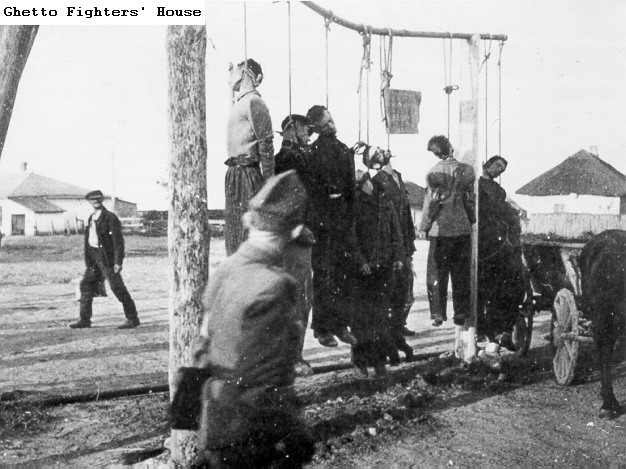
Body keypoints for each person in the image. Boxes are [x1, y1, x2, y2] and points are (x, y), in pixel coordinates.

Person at [192, 170, 315, 469]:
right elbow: (267, 381)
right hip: (249, 434)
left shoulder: (226, 269)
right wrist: (297, 436)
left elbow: (201, 349)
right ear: (294, 231)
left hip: (215, 423)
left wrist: (197, 425)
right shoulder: (278, 285)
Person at [305, 105, 358, 348]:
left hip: (342, 221)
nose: (332, 125)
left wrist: (350, 218)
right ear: (316, 127)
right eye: (326, 122)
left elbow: (351, 187)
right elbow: (310, 189)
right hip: (322, 223)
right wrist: (327, 197)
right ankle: (322, 328)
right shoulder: (312, 152)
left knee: (344, 274)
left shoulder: (345, 150)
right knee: (323, 276)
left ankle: (341, 325)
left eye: (331, 119)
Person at [351, 170, 405, 377]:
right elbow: (352, 237)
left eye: (366, 182)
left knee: (381, 316)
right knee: (361, 317)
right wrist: (361, 261)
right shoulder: (355, 204)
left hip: (385, 266)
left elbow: (395, 233)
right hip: (363, 270)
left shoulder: (385, 203)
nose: (368, 185)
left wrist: (398, 256)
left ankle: (379, 361)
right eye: (363, 182)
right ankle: (359, 360)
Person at [418, 135, 475, 327]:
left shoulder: (433, 173)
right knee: (461, 273)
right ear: (450, 147)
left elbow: (430, 204)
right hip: (462, 229)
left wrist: (424, 227)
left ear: (435, 153)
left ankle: (438, 313)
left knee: (436, 274)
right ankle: (461, 312)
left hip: (440, 232)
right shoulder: (468, 171)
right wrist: (471, 221)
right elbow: (470, 201)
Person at [275, 114, 315, 377]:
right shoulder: (286, 159)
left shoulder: (298, 156)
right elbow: (282, 201)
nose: (308, 134)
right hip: (292, 239)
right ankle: (291, 359)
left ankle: (291, 357)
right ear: (293, 128)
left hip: (301, 236)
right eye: (305, 129)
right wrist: (298, 227)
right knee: (296, 300)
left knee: (302, 299)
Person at [224, 58, 274, 256]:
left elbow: (266, 145)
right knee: (234, 235)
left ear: (247, 72)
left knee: (248, 236)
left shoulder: (255, 102)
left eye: (236, 69)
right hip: (233, 174)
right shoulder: (239, 104)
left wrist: (269, 186)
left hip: (247, 174)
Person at [69, 190, 139, 329]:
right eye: (92, 200)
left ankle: (132, 318)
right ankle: (84, 320)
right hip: (94, 259)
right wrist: (89, 260)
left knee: (117, 288)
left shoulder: (110, 218)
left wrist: (117, 262)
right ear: (90, 202)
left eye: (97, 200)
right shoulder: (91, 217)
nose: (95, 202)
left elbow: (118, 242)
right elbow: (89, 240)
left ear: (101, 200)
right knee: (85, 285)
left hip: (107, 259)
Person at [477, 155, 527, 349]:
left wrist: (516, 212)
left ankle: (505, 331)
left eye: (502, 169)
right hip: (484, 240)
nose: (499, 170)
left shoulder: (500, 190)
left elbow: (505, 209)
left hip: (499, 240)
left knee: (512, 284)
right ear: (487, 164)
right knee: (485, 289)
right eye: (497, 165)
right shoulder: (477, 185)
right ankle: (487, 332)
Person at [371, 149, 417, 337]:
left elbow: (406, 210)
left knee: (406, 285)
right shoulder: (377, 181)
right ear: (375, 163)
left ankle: (398, 324)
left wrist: (411, 239)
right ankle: (389, 327)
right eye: (378, 152)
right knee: (392, 285)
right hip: (389, 242)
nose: (383, 151)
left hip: (404, 240)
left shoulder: (398, 176)